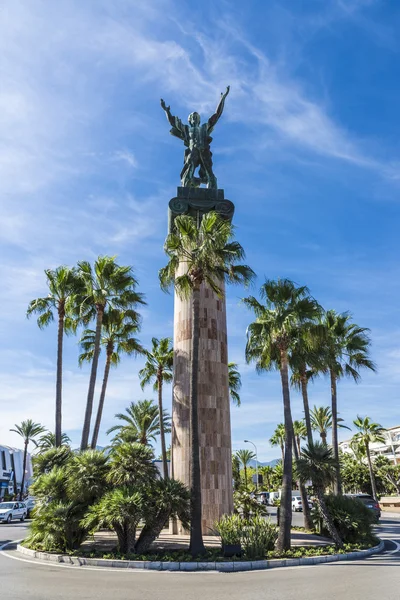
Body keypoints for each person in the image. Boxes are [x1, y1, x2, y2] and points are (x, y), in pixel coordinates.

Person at [160, 86, 230, 189]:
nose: (194, 118)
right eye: (192, 117)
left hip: (204, 150)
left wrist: (222, 99)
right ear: (190, 120)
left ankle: (211, 186)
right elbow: (172, 122)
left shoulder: (205, 127)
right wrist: (166, 110)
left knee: (208, 170)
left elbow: (217, 115)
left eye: (196, 116)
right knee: (190, 167)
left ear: (199, 119)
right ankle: (187, 184)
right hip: (194, 150)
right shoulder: (186, 129)